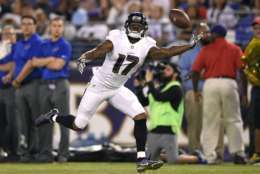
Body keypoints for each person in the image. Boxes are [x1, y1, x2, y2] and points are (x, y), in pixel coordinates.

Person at [35, 12, 199, 172]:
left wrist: (189, 45)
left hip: (117, 88)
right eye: (133, 25)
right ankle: (54, 116)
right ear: (127, 26)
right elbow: (101, 49)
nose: (135, 28)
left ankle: (142, 159)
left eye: (138, 26)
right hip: (98, 87)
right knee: (79, 124)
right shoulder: (116, 37)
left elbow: (165, 52)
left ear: (144, 28)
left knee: (140, 116)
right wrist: (86, 56)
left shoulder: (147, 44)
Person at [14, 17, 72, 163]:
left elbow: (57, 66)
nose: (57, 28)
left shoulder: (65, 45)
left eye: (60, 26)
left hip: (60, 84)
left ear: (63, 28)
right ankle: (45, 154)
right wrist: (50, 59)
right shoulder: (44, 44)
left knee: (64, 120)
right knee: (45, 121)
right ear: (50, 28)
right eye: (54, 25)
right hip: (44, 85)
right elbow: (33, 62)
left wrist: (44, 61)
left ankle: (63, 154)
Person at [191, 24, 247, 164]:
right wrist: (244, 93)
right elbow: (243, 71)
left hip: (210, 84)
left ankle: (210, 156)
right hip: (229, 82)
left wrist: (196, 89)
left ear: (216, 35)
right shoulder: (235, 49)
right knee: (234, 120)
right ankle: (238, 154)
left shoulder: (206, 49)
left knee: (210, 121)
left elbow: (195, 71)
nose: (209, 35)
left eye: (211, 33)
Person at [134, 62, 206, 164]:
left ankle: (197, 158)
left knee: (174, 160)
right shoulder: (158, 88)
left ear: (175, 74)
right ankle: (167, 155)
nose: (164, 72)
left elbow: (160, 97)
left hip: (168, 129)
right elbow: (143, 101)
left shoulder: (176, 88)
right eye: (164, 69)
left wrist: (149, 82)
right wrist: (139, 87)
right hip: (154, 129)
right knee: (149, 161)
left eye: (168, 70)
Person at [178, 22, 225, 160]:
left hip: (214, 90)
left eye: (208, 32)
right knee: (192, 108)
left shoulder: (218, 50)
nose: (206, 35)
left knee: (218, 121)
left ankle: (217, 153)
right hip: (195, 90)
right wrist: (197, 78)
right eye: (202, 32)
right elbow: (183, 74)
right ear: (196, 35)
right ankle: (195, 151)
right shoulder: (188, 52)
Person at [12, 15, 43, 162]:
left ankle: (35, 151)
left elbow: (31, 64)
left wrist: (17, 79)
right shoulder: (19, 43)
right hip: (20, 86)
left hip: (32, 84)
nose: (26, 27)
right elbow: (16, 63)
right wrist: (11, 76)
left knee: (35, 119)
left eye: (29, 24)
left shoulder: (37, 42)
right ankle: (25, 152)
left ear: (35, 26)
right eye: (23, 24)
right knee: (23, 121)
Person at [0, 25, 19, 161]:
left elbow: (14, 64)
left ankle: (13, 151)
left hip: (11, 88)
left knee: (12, 122)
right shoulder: (2, 48)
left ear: (15, 36)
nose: (8, 36)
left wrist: (10, 69)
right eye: (5, 33)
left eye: (11, 33)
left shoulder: (18, 48)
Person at [247, 17, 260, 165]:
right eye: (256, 28)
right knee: (257, 122)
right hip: (257, 88)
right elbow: (245, 66)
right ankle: (257, 153)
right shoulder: (251, 45)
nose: (258, 31)